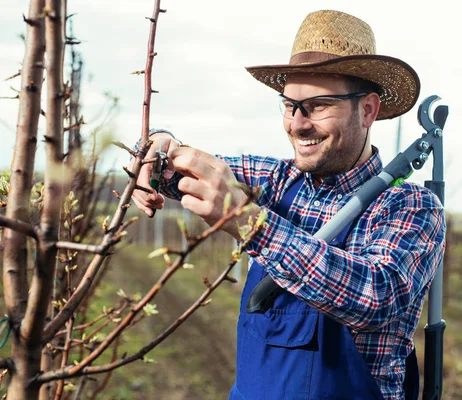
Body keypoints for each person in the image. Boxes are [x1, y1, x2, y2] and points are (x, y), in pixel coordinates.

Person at [131, 10, 445, 400]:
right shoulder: (275, 181)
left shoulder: (409, 207)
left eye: (318, 105)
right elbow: (179, 167)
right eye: (290, 105)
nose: (297, 124)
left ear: (368, 110)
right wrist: (157, 147)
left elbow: (374, 297)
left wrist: (249, 222)